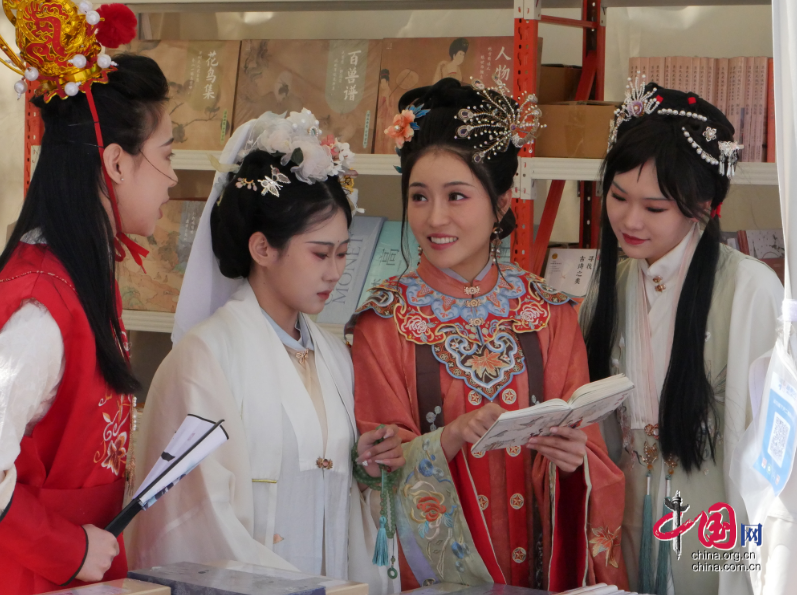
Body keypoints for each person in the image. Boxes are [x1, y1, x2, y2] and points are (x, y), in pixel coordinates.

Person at [352, 78, 628, 592]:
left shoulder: (549, 313)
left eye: (456, 196)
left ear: (501, 202)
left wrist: (573, 464)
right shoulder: (383, 323)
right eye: (419, 196)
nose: (435, 218)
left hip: (541, 572)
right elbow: (377, 472)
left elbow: (591, 453)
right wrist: (448, 438)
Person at [127, 109, 404, 595]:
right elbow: (196, 519)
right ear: (262, 249)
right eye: (320, 253)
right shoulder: (204, 359)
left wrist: (364, 470)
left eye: (343, 253)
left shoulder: (335, 357)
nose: (335, 272)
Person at [579, 80, 783, 595]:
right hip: (624, 514)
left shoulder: (749, 288)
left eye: (654, 208)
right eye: (618, 197)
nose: (629, 220)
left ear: (702, 205)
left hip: (715, 518)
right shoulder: (609, 286)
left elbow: (769, 449)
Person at [0, 15, 176, 592]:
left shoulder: (78, 276)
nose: (173, 178)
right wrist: (65, 546)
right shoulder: (41, 303)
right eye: (167, 154)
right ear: (117, 162)